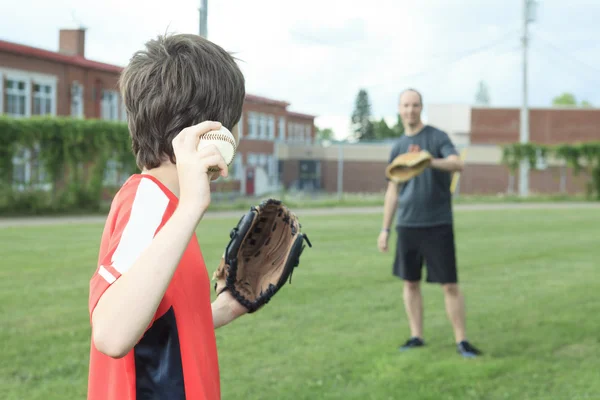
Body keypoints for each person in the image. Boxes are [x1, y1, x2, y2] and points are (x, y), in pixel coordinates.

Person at [86, 33, 249, 400]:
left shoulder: (167, 208)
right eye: (233, 123)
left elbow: (160, 329)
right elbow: (111, 333)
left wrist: (224, 310)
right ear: (212, 135)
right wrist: (192, 207)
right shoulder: (150, 204)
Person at [377, 88, 482, 358]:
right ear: (399, 109)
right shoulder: (398, 147)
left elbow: (457, 164)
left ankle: (462, 341)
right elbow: (392, 191)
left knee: (449, 285)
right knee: (410, 283)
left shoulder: (436, 137)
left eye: (415, 105)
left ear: (421, 107)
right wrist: (385, 229)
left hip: (437, 223)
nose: (410, 110)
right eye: (405, 105)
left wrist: (428, 161)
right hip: (408, 224)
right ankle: (416, 336)